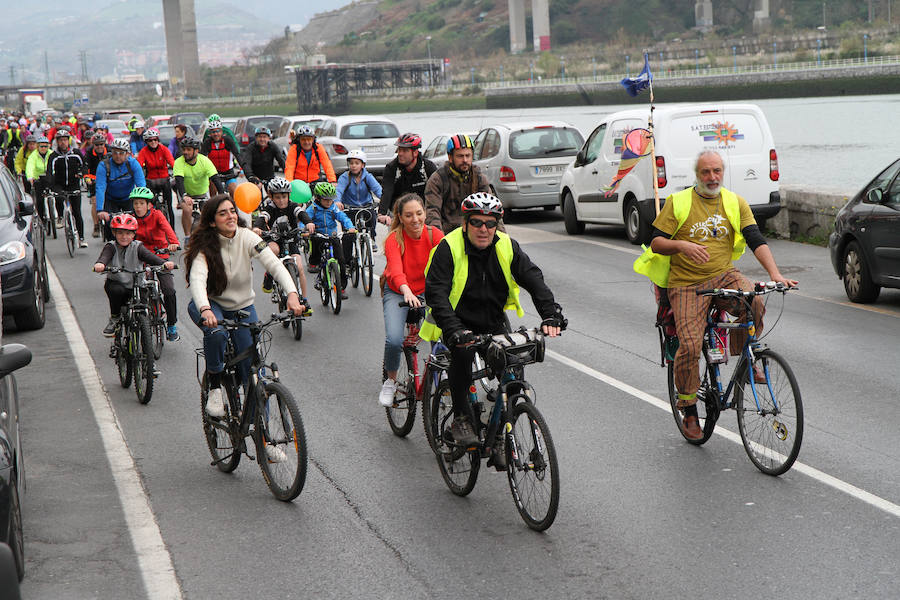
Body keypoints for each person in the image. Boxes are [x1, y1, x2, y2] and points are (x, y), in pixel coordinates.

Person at [637, 150, 798, 440]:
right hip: (686, 283)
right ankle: (688, 409)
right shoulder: (680, 202)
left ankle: (745, 361)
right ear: (696, 175)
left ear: (723, 172)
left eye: (716, 171)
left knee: (755, 303)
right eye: (705, 172)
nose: (712, 177)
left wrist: (775, 274)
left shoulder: (735, 203)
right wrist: (683, 246)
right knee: (689, 344)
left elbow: (755, 239)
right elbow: (656, 242)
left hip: (724, 274)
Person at [421, 192, 566, 448]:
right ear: (465, 224)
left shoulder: (507, 246)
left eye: (490, 223)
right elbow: (436, 294)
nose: (484, 229)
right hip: (457, 321)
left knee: (513, 368)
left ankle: (499, 431)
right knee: (463, 355)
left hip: (493, 320)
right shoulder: (448, 247)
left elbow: (533, 279)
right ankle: (462, 417)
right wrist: (454, 329)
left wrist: (551, 314)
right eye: (477, 222)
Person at [184, 195, 305, 421]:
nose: (230, 216)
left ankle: (263, 437)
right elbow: (197, 278)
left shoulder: (247, 237)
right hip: (212, 305)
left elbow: (275, 266)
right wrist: (205, 309)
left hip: (243, 307)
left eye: (232, 211)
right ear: (212, 221)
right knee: (217, 334)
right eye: (223, 213)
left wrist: (292, 294)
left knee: (253, 375)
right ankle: (215, 387)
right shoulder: (205, 246)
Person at [378, 193, 444, 407]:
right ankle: (390, 381)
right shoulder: (393, 238)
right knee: (394, 339)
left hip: (427, 291)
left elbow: (448, 266)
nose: (415, 219)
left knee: (442, 331)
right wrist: (406, 291)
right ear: (400, 217)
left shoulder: (435, 235)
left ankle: (441, 373)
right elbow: (396, 271)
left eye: (419, 213)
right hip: (398, 291)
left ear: (425, 213)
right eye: (409, 215)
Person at [93, 213, 175, 336]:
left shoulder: (138, 247)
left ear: (133, 234)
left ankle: (145, 339)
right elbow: (104, 258)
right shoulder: (111, 247)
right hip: (117, 283)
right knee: (116, 291)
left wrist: (165, 264)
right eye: (120, 233)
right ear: (114, 233)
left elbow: (151, 258)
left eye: (128, 233)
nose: (124, 237)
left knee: (143, 309)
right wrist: (100, 264)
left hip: (137, 284)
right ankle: (115, 318)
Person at [251, 177, 312, 311]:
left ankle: (304, 300)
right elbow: (263, 218)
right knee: (273, 250)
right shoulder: (270, 208)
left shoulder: (293, 206)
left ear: (289, 195)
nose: (281, 200)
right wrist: (257, 227)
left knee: (300, 266)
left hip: (290, 240)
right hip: (274, 238)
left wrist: (308, 222)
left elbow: (301, 214)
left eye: (284, 196)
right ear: (272, 197)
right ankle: (269, 273)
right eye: (277, 197)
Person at [130, 186, 182, 341]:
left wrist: (173, 243)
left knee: (169, 290)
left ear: (149, 204)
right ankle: (142, 319)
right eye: (135, 203)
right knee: (138, 288)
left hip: (160, 256)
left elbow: (168, 230)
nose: (138, 207)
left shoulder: (157, 215)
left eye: (141, 203)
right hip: (141, 257)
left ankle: (172, 325)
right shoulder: (131, 218)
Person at [424, 134, 491, 233]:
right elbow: (432, 213)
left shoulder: (479, 178)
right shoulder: (437, 179)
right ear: (450, 157)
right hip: (447, 233)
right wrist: (439, 239)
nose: (465, 160)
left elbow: (491, 209)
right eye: (460, 156)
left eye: (468, 156)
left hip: (473, 232)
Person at [305, 181, 356, 298]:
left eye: (331, 199)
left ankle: (341, 288)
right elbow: (305, 219)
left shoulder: (333, 208)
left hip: (333, 236)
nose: (329, 202)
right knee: (316, 255)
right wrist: (305, 229)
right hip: (319, 236)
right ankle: (318, 273)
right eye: (325, 199)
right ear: (317, 198)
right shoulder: (313, 208)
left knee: (341, 261)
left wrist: (350, 227)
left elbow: (343, 217)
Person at [377, 133, 436, 224]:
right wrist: (382, 213)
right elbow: (387, 191)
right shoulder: (391, 168)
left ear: (415, 153)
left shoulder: (428, 167)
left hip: (422, 213)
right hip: (399, 214)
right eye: (399, 149)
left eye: (404, 150)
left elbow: (437, 192)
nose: (400, 153)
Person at [96, 139, 146, 239]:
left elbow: (141, 185)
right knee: (110, 226)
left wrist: (144, 203)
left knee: (135, 225)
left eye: (121, 153)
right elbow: (100, 187)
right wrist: (100, 210)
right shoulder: (104, 165)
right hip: (111, 199)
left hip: (129, 198)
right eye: (115, 153)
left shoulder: (133, 164)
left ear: (127, 154)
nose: (118, 156)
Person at [46, 129, 87, 245]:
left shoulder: (76, 153)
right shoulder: (53, 156)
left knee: (77, 213)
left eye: (65, 140)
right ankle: (60, 216)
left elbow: (84, 166)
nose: (63, 142)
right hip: (59, 184)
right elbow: (49, 172)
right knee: (58, 197)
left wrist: (82, 174)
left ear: (68, 141)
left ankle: (82, 238)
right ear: (57, 142)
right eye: (60, 140)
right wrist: (49, 186)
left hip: (74, 184)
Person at [173, 135, 218, 240]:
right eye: (184, 149)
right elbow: (179, 180)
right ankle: (188, 236)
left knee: (208, 215)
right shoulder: (179, 161)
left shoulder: (205, 161)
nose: (185, 152)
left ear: (196, 151)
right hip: (186, 193)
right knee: (187, 210)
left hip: (201, 193)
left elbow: (215, 178)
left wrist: (222, 195)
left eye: (189, 150)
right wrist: (184, 195)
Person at [336, 149, 382, 242]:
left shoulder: (368, 177)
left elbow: (378, 190)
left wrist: (384, 201)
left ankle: (371, 238)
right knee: (348, 236)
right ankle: (348, 255)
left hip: (366, 206)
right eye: (351, 163)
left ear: (363, 165)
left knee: (372, 217)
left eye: (357, 163)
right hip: (350, 208)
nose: (353, 166)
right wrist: (337, 201)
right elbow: (339, 190)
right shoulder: (345, 177)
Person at [136, 127, 176, 227]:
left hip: (164, 179)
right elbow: (138, 166)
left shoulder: (164, 149)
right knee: (151, 206)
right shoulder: (144, 152)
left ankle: (172, 229)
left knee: (169, 206)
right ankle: (152, 226)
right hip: (151, 180)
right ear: (146, 141)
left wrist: (177, 171)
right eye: (150, 140)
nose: (153, 142)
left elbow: (172, 162)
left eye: (155, 139)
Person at [200, 115, 240, 198]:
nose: (216, 134)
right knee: (213, 193)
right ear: (210, 133)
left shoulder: (228, 140)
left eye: (218, 131)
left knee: (234, 191)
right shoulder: (207, 142)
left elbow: (237, 154)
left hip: (228, 171)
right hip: (214, 172)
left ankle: (234, 209)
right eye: (213, 132)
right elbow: (202, 158)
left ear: (222, 131)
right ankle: (214, 209)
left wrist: (242, 169)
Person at [239, 126, 285, 193]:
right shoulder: (251, 148)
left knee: (274, 194)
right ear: (256, 138)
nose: (262, 139)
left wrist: (287, 172)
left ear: (269, 138)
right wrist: (251, 176)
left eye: (264, 137)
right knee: (256, 195)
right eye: (260, 137)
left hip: (269, 176)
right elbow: (246, 163)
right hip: (255, 176)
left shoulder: (273, 146)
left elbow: (281, 160)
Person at [84, 132, 109, 238]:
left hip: (108, 178)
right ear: (93, 145)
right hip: (94, 179)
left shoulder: (110, 151)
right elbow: (85, 168)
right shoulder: (89, 153)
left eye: (101, 144)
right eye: (97, 145)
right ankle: (96, 226)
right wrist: (87, 177)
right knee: (95, 201)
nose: (99, 147)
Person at [25, 135, 53, 222]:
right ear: (38, 146)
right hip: (38, 179)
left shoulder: (51, 154)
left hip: (49, 178)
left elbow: (56, 166)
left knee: (55, 195)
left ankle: (55, 213)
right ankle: (42, 219)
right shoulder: (33, 155)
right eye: (42, 146)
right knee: (40, 200)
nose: (44, 148)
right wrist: (30, 177)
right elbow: (30, 166)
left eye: (46, 146)